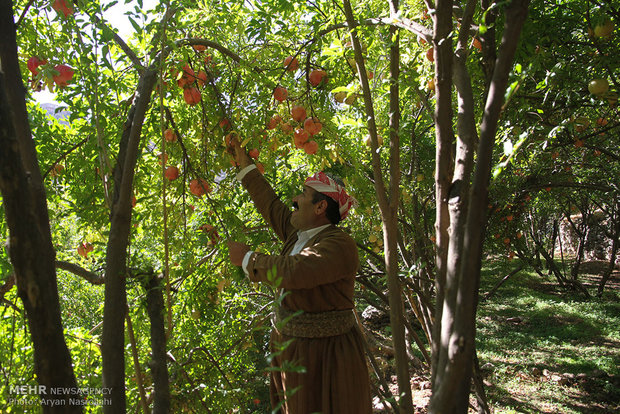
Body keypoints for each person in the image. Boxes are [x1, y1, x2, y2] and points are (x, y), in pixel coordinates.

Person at [227, 139, 373, 414]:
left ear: (320, 208)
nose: (294, 199)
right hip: (293, 349)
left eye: (303, 194)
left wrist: (248, 259)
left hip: (326, 355)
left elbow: (296, 271)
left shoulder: (339, 245)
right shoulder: (299, 234)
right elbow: (269, 204)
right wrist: (245, 166)